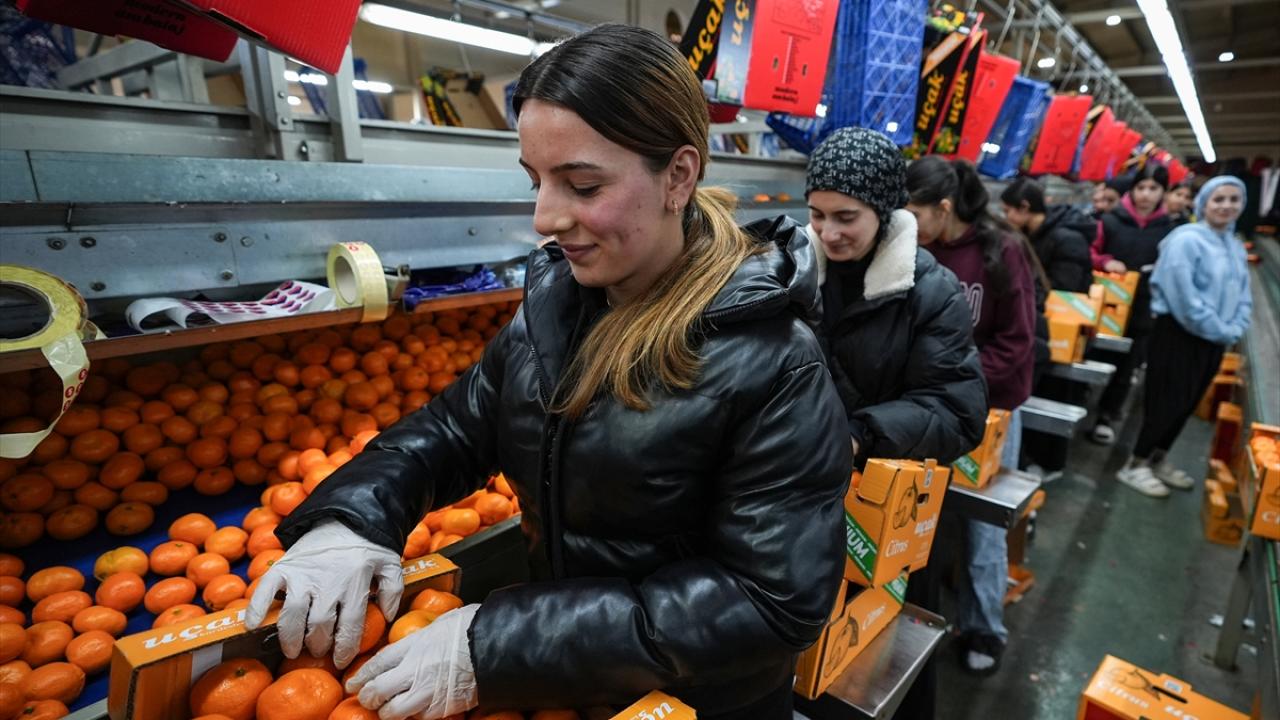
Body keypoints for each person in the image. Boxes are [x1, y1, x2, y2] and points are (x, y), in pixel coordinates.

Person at [246, 24, 852, 718]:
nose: (544, 217)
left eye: (582, 184)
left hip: (694, 703)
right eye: (536, 181)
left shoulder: (776, 361)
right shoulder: (554, 307)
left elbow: (769, 602)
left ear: (678, 176)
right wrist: (353, 518)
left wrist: (501, 645)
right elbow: (455, 428)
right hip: (565, 686)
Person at [805, 128, 988, 719]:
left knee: (877, 663)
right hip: (801, 502)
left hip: (886, 509)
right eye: (817, 214)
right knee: (810, 664)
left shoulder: (929, 292)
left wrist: (863, 432)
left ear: (884, 212)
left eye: (846, 216)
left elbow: (959, 412)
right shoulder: (792, 271)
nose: (828, 232)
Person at [906, 156, 1037, 677]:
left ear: (943, 208)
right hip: (932, 409)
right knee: (927, 520)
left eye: (913, 215)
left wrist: (953, 379)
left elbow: (1017, 344)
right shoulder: (915, 251)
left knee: (983, 528)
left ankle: (985, 627)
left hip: (993, 410)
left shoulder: (1002, 251)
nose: (905, 226)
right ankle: (927, 618)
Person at [1117, 176, 1252, 496]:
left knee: (1187, 403)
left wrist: (1235, 327)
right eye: (1218, 199)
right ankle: (1135, 464)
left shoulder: (1233, 245)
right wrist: (1221, 329)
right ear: (1203, 203)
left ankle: (1157, 459)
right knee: (1166, 399)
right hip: (1178, 334)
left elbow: (1244, 295)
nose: (1226, 206)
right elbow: (1184, 299)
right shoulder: (1186, 240)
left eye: (1234, 199)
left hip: (1214, 339)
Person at [1088, 164, 1178, 446]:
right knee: (1092, 354)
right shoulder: (1111, 220)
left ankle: (1106, 416)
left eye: (1153, 189)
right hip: (1105, 304)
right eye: (1141, 187)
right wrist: (1105, 262)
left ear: (1163, 192)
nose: (1146, 195)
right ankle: (1081, 401)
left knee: (1127, 367)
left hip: (1143, 308)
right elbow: (1090, 250)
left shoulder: (1170, 230)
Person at [1001, 177, 1094, 292]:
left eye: (1007, 211)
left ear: (1024, 207)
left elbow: (1064, 288)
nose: (1006, 218)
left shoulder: (1068, 239)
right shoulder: (1026, 234)